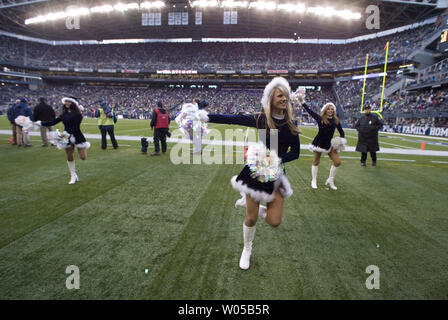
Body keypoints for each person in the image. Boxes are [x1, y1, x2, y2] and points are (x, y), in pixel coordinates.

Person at [208, 77, 300, 270]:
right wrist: (203, 116)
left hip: (276, 176)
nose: (284, 99)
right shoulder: (261, 119)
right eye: (280, 95)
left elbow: (296, 153)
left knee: (274, 221)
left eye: (286, 95)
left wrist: (278, 160)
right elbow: (232, 119)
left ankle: (254, 207)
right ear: (270, 99)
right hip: (256, 173)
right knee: (250, 219)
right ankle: (247, 249)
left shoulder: (292, 123)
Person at [36, 96, 90, 184]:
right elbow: (53, 122)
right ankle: (73, 175)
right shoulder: (63, 114)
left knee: (83, 157)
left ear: (73, 103)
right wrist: (40, 123)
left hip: (77, 136)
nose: (67, 103)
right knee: (69, 155)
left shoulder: (78, 114)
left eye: (69, 102)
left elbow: (75, 127)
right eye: (66, 102)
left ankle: (74, 175)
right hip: (65, 137)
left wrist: (65, 133)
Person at [298, 98, 345, 190]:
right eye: (328, 109)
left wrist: (340, 140)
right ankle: (314, 180)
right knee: (316, 161)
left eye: (332, 109)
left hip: (329, 144)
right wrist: (302, 102)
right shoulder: (321, 118)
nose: (330, 110)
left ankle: (330, 180)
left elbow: (341, 131)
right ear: (325, 110)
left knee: (337, 162)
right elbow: (310, 111)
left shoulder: (336, 120)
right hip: (318, 143)